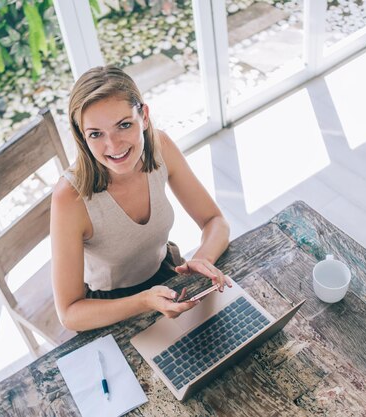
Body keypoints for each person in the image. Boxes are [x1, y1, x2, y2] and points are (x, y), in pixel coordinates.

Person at [51, 65, 231, 332]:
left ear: (144, 116)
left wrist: (203, 258)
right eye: (96, 134)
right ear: (82, 136)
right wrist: (145, 301)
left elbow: (214, 220)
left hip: (168, 270)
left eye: (124, 125)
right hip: (110, 306)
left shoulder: (161, 147)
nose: (113, 146)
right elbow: (69, 314)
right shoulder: (69, 198)